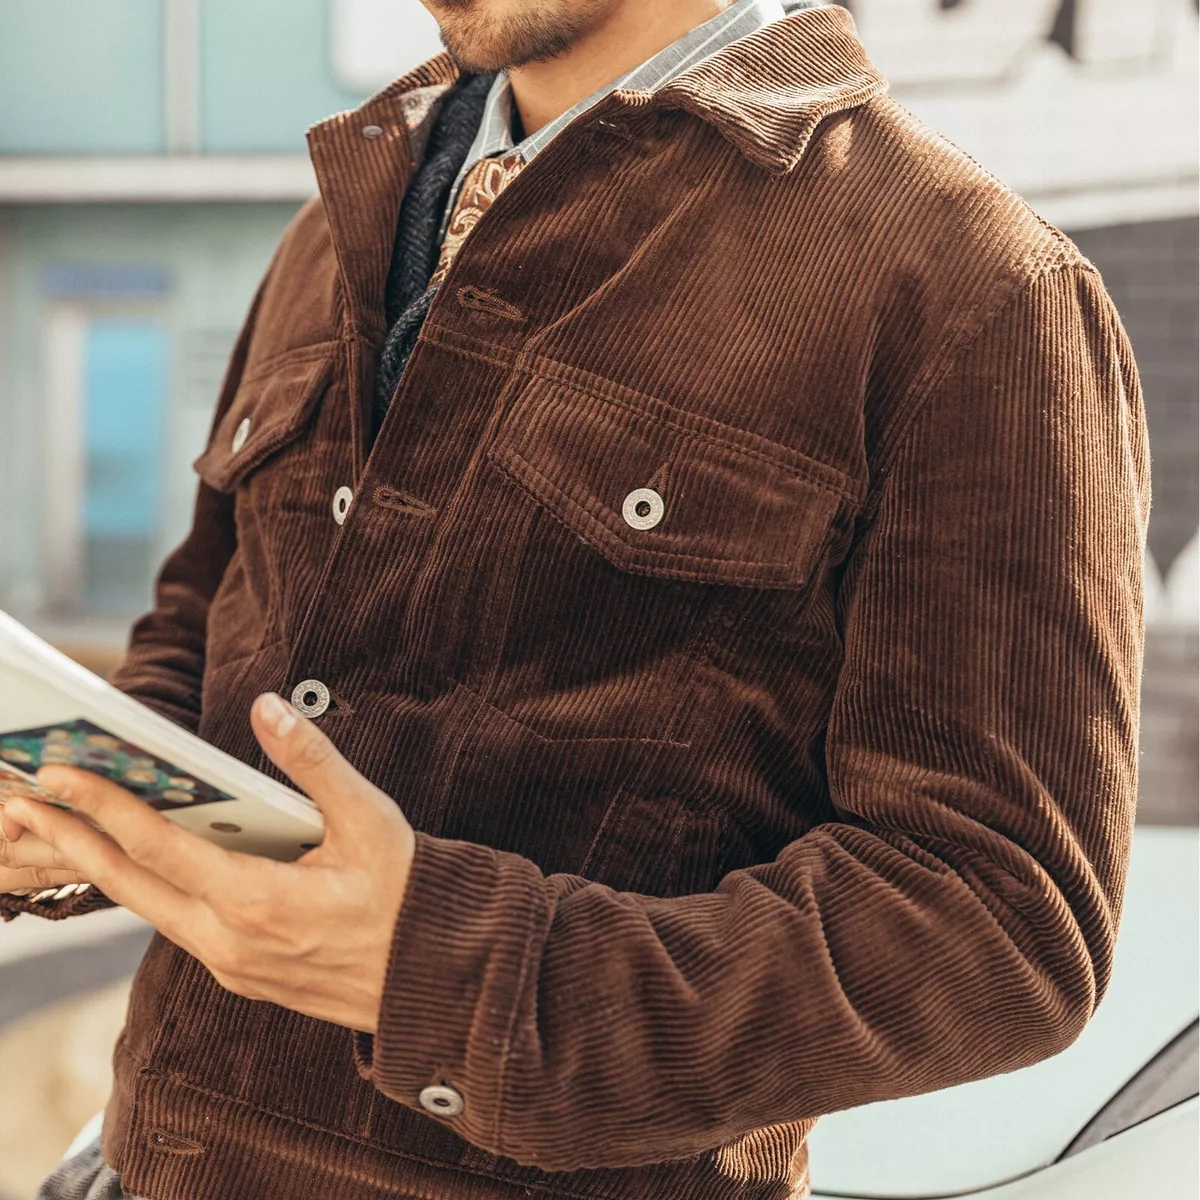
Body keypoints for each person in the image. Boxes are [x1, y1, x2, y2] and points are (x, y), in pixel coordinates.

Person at [0, 0, 1151, 1198]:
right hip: (136, 1165)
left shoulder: (976, 290)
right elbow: (207, 617)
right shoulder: (338, 222)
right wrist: (72, 795)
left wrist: (447, 974)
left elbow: (1003, 921)